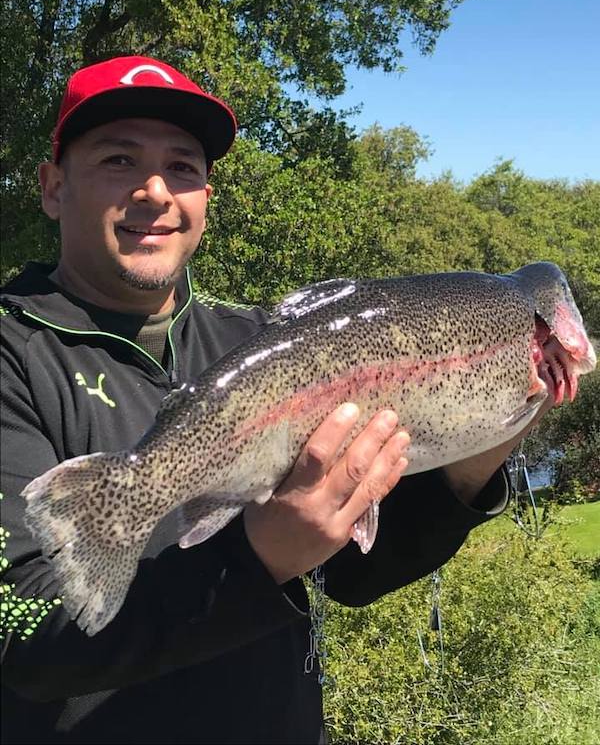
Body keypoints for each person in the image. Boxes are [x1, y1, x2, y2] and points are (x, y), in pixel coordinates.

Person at [1, 55, 555, 745]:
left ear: (206, 196)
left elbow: (358, 572)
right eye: (118, 159)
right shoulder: (11, 353)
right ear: (53, 188)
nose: (155, 191)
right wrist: (259, 558)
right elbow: (20, 636)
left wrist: (491, 439)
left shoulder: (270, 340)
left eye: (183, 167)